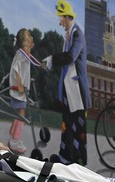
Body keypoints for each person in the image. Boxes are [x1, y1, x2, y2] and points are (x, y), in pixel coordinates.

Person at [42, 0, 90, 165]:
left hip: (77, 93)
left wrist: (52, 59)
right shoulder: (69, 35)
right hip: (69, 91)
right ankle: (65, 158)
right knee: (67, 126)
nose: (59, 22)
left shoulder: (78, 35)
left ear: (67, 16)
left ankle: (78, 162)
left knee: (78, 129)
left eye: (61, 18)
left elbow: (70, 57)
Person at [8, 28, 41, 153]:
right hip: (18, 90)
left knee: (19, 112)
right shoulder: (21, 54)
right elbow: (15, 69)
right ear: (23, 41)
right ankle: (15, 140)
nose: (31, 37)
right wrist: (20, 84)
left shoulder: (26, 55)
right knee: (21, 113)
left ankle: (13, 133)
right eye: (29, 35)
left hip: (21, 91)